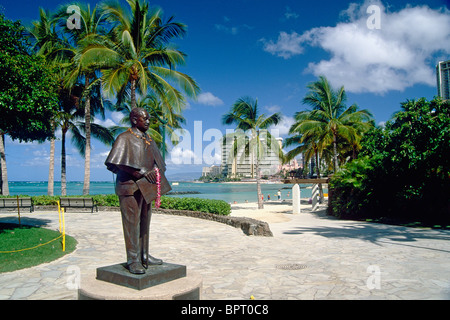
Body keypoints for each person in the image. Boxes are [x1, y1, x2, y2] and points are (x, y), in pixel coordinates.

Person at [105, 108, 171, 274]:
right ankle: (133, 259)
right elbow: (117, 162)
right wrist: (140, 172)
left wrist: (155, 169)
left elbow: (158, 162)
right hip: (129, 187)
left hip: (146, 188)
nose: (148, 121)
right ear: (134, 120)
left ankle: (144, 255)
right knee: (131, 225)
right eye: (144, 119)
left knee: (144, 223)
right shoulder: (124, 138)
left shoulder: (148, 139)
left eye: (148, 118)